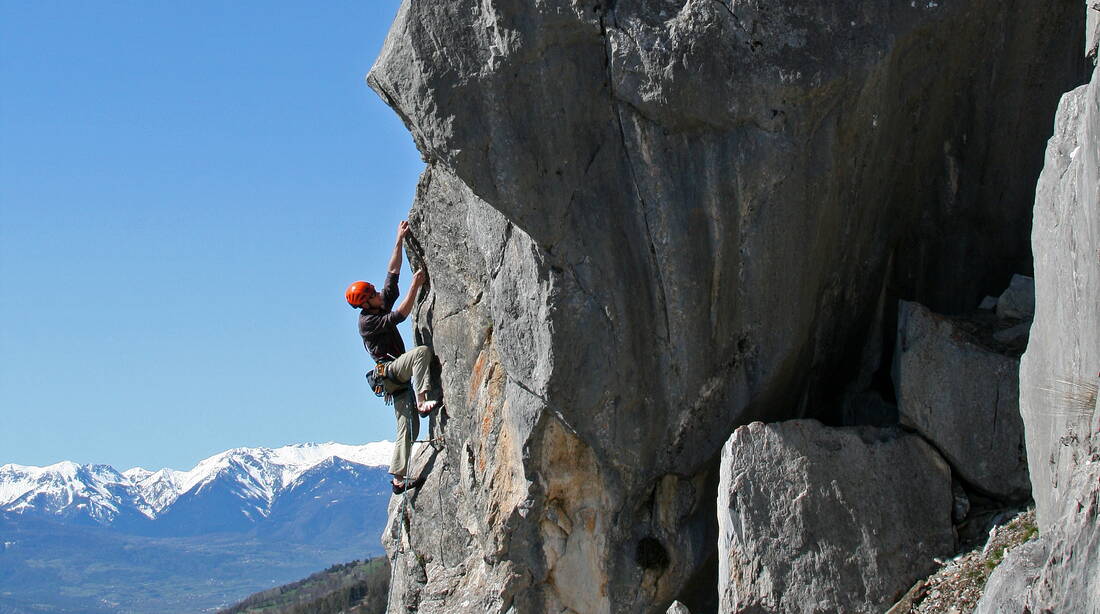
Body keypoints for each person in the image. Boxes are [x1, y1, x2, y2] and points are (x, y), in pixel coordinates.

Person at [345, 220, 438, 494]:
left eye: (374, 291)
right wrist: (417, 285)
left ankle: (398, 479)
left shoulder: (377, 302)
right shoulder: (367, 322)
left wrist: (398, 239)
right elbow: (401, 315)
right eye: (371, 294)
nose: (377, 294)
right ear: (364, 303)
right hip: (390, 371)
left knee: (408, 427)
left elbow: (392, 272)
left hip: (394, 377)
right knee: (421, 353)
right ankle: (422, 398)